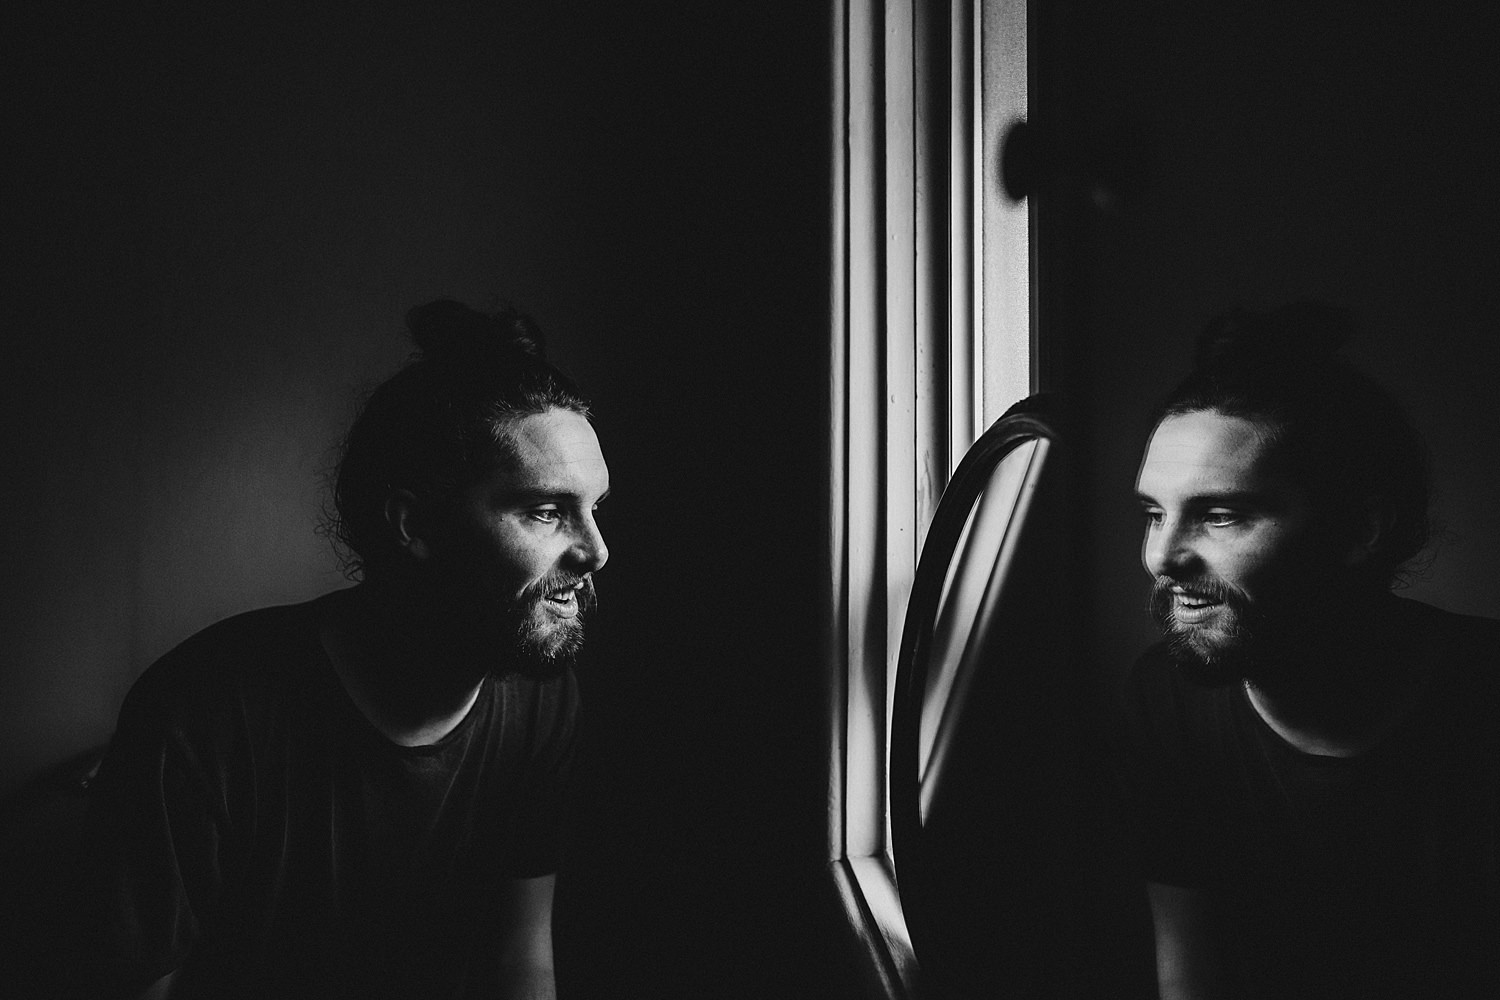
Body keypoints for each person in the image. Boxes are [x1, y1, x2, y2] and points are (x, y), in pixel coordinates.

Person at [67, 300, 610, 999]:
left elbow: (520, 962)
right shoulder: (202, 713)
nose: (596, 550)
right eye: (545, 510)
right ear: (414, 523)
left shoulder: (540, 696)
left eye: (596, 509)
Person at [1119, 303, 1499, 1000]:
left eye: (1220, 514)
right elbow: (1188, 973)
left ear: (1358, 530)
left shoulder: (1481, 700)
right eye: (1154, 513)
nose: (1162, 557)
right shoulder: (1165, 703)